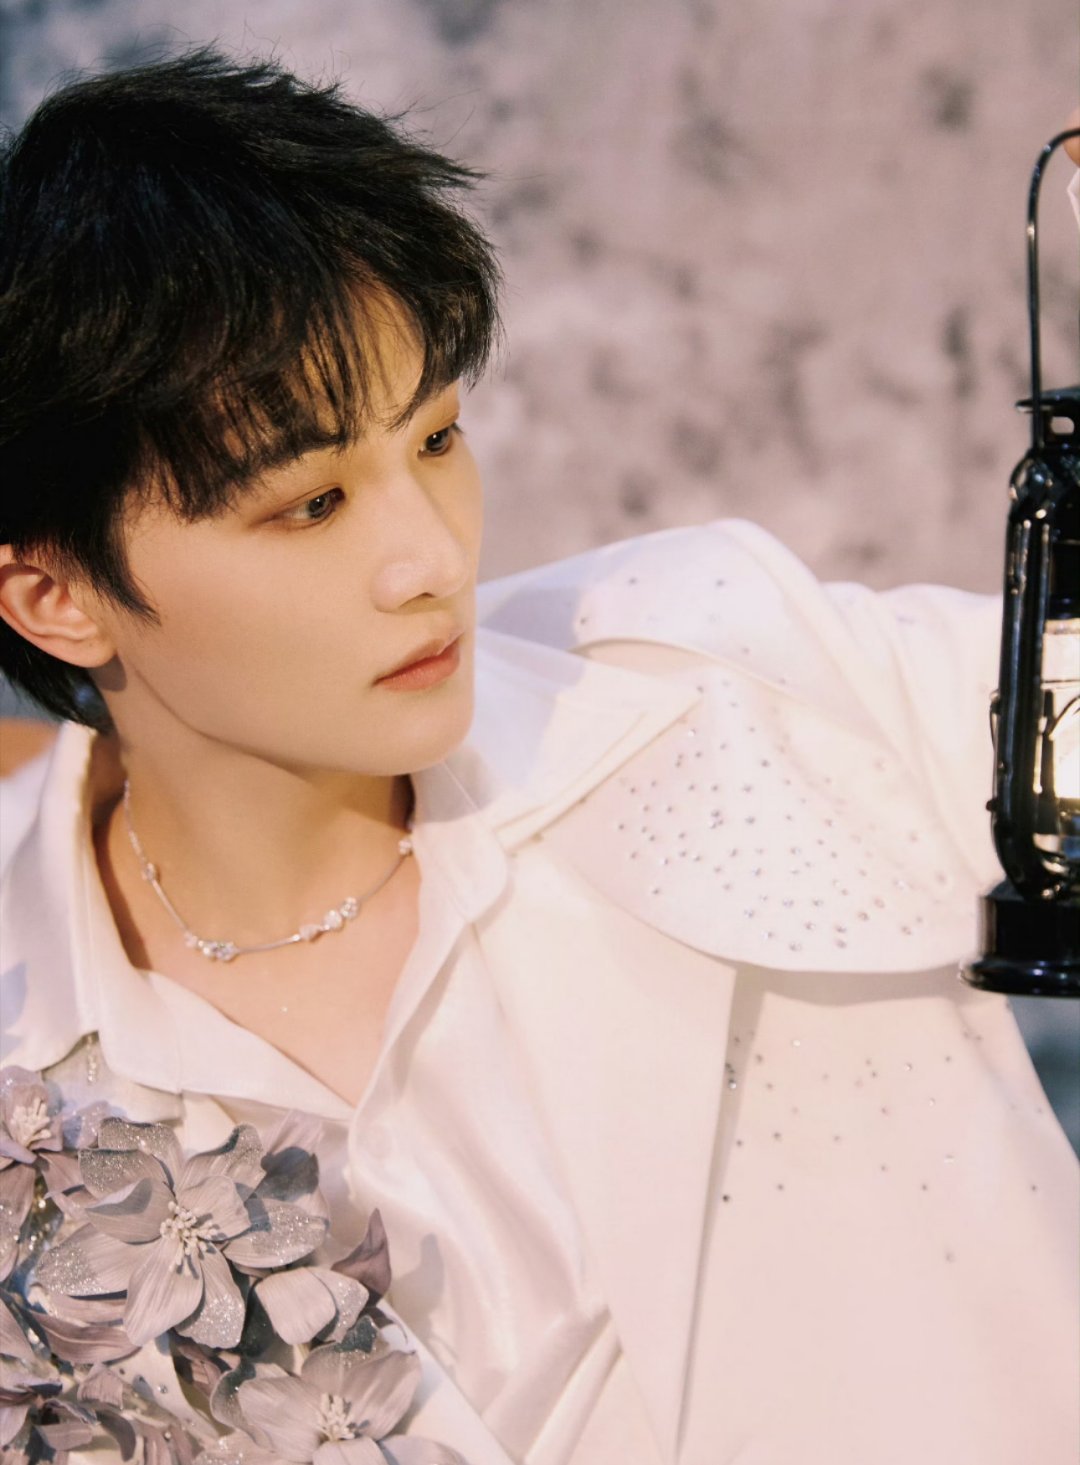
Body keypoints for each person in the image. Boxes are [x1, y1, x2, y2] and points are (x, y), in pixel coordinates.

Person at [0, 49, 1077, 1465]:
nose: (429, 558)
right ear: (54, 596)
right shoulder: (30, 1030)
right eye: (311, 503)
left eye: (438, 436)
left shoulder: (728, 675)